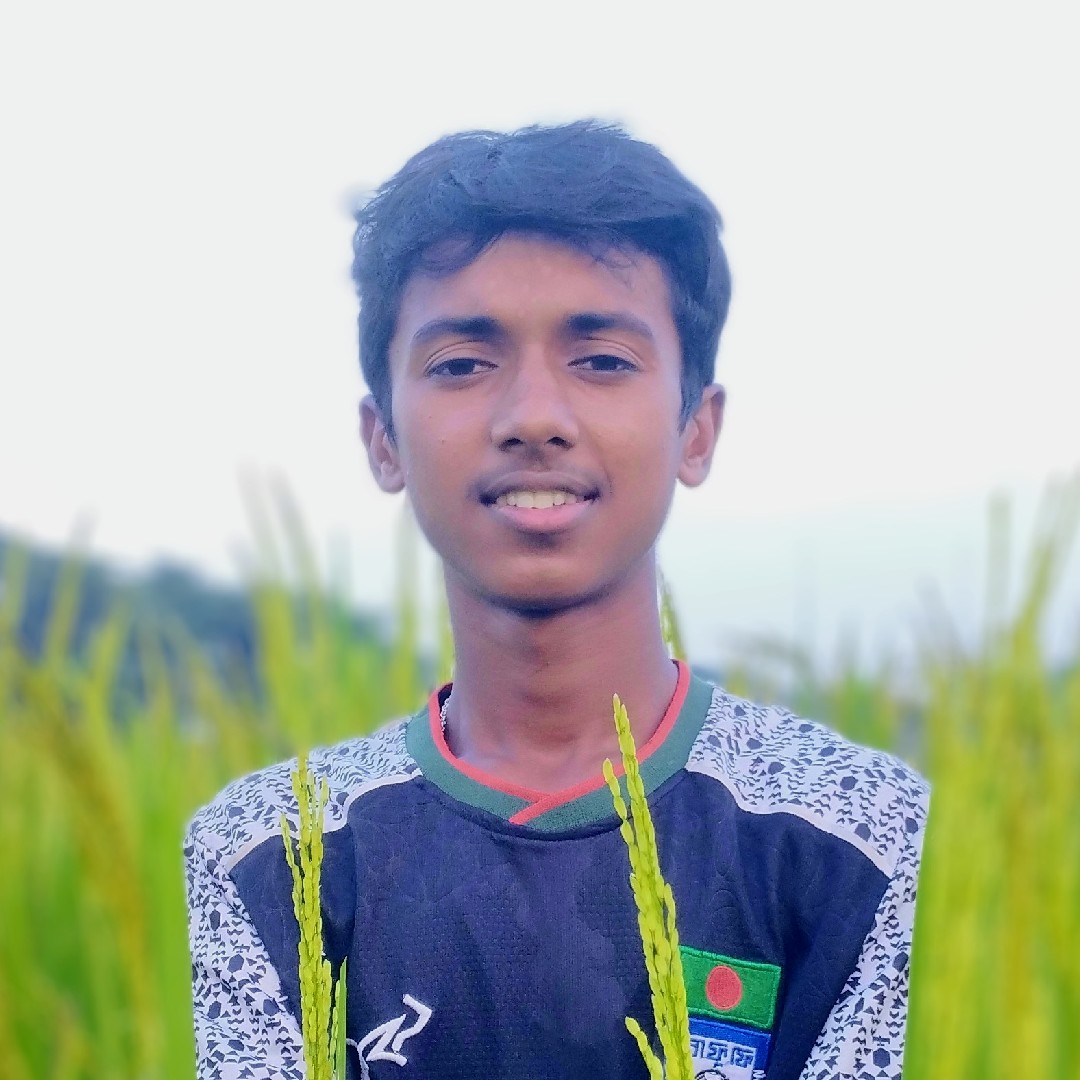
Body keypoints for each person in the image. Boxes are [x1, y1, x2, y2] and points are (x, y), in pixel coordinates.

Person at [185, 120, 928, 1080]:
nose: (534, 417)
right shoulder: (267, 859)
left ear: (697, 430)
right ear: (383, 440)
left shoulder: (867, 836)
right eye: (462, 363)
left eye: (602, 360)